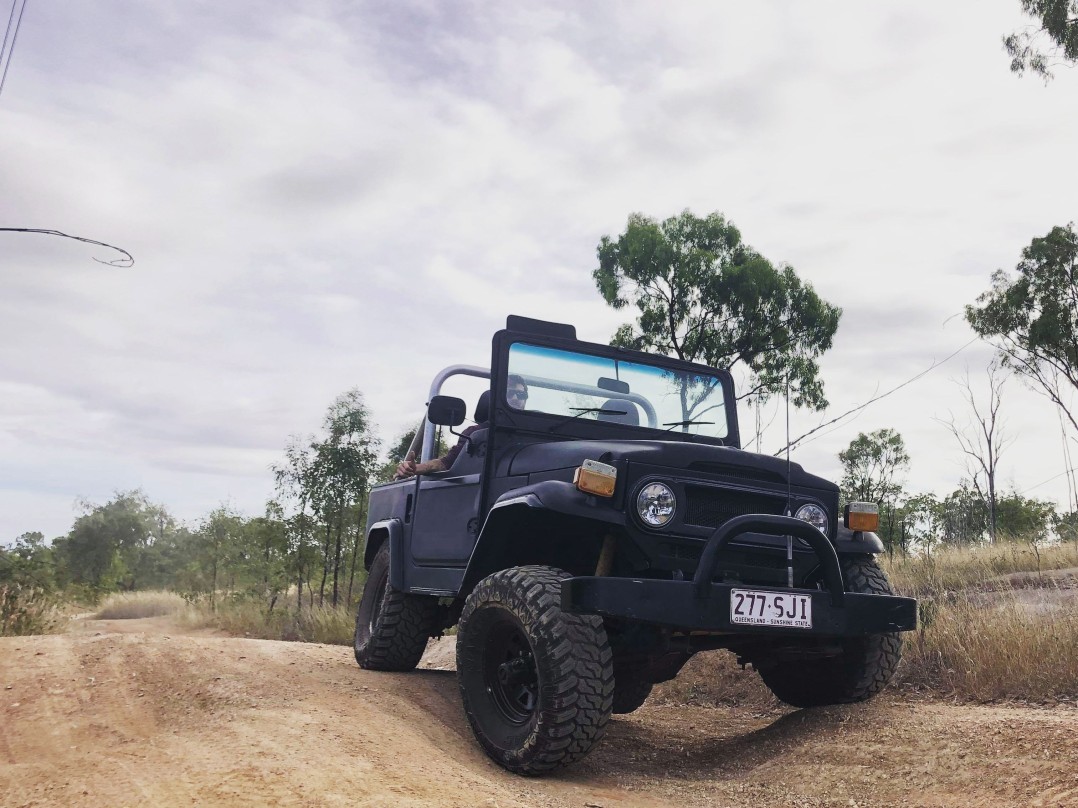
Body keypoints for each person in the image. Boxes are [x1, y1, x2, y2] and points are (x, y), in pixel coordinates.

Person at [395, 378, 528, 479]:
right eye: (510, 393)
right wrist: (417, 468)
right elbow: (448, 462)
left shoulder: (539, 432)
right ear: (497, 398)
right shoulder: (477, 433)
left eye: (521, 395)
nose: (516, 398)